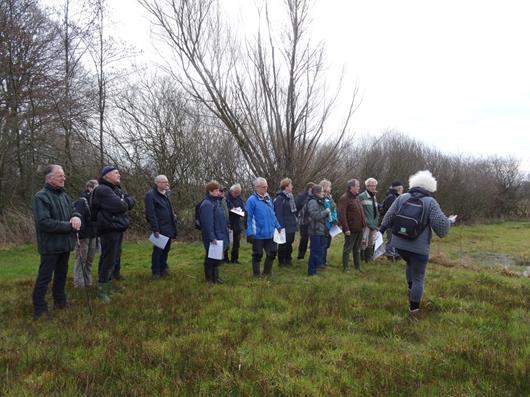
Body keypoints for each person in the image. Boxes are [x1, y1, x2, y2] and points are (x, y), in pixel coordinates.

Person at [380, 170, 457, 321]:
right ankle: (413, 312)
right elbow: (441, 228)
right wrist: (450, 222)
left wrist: (380, 232)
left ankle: (411, 291)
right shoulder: (430, 202)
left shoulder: (402, 197)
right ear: (430, 187)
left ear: (413, 183)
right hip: (418, 247)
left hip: (399, 244)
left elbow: (388, 216)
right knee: (419, 277)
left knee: (409, 263)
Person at [31, 165, 81, 320]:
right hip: (50, 246)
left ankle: (60, 302)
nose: (63, 178)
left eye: (64, 175)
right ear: (49, 178)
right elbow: (44, 222)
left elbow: (74, 210)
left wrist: (76, 216)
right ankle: (39, 310)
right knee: (44, 278)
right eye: (60, 175)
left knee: (61, 275)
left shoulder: (64, 196)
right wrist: (68, 226)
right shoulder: (41, 197)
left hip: (65, 245)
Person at [91, 165, 135, 303]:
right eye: (116, 173)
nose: (119, 175)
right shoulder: (102, 190)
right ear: (107, 176)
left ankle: (108, 287)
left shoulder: (116, 189)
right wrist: (123, 202)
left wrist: (124, 201)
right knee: (107, 259)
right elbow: (120, 206)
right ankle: (102, 291)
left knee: (114, 259)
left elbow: (131, 200)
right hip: (108, 229)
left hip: (118, 228)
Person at [245, 177, 281, 277]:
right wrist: (249, 233)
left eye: (266, 186)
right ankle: (256, 275)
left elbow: (273, 214)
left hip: (270, 233)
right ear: (257, 188)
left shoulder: (268, 198)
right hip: (258, 234)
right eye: (264, 187)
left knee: (273, 252)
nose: (266, 189)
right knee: (258, 254)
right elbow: (248, 218)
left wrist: (278, 226)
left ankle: (267, 272)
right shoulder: (251, 200)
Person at [144, 175, 177, 279]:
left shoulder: (167, 194)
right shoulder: (151, 195)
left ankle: (163, 268)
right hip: (160, 228)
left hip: (169, 227)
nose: (167, 184)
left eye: (167, 182)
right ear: (157, 183)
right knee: (158, 251)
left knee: (166, 249)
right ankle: (156, 272)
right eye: (164, 182)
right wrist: (155, 229)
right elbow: (151, 213)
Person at [199, 180, 229, 283]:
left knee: (216, 257)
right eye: (216, 190)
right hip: (212, 236)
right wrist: (212, 237)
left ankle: (216, 277)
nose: (218, 192)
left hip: (219, 233)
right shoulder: (207, 204)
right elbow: (207, 223)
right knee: (210, 258)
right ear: (210, 191)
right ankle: (209, 279)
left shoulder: (216, 202)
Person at [73, 179, 99, 288]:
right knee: (81, 260)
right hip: (83, 236)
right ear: (89, 188)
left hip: (93, 235)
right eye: (96, 188)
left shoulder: (96, 201)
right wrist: (79, 235)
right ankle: (79, 283)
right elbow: (79, 217)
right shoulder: (82, 201)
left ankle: (88, 282)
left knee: (90, 260)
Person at [337, 179, 366, 272]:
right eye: (357, 186)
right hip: (350, 229)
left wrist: (363, 224)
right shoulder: (344, 198)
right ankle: (345, 268)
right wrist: (346, 229)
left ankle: (358, 267)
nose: (359, 187)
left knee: (357, 249)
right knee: (347, 249)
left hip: (359, 228)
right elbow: (342, 215)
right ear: (351, 187)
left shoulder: (356, 197)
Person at [306, 184, 330, 276]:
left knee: (319, 251)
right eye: (322, 192)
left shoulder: (320, 201)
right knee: (314, 251)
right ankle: (311, 272)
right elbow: (315, 215)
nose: (323, 193)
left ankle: (315, 268)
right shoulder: (312, 202)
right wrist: (326, 212)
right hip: (315, 230)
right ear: (316, 193)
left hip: (321, 229)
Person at [273, 178, 298, 267]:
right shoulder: (280, 198)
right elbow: (278, 213)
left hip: (291, 224)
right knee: (283, 244)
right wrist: (280, 226)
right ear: (286, 186)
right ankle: (281, 261)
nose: (292, 186)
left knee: (289, 243)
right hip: (284, 225)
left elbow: (294, 211)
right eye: (291, 185)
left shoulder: (291, 196)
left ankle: (288, 259)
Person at [378, 180, 404, 260]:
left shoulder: (395, 197)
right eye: (401, 188)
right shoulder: (392, 198)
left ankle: (396, 254)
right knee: (391, 239)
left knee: (396, 239)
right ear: (398, 189)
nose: (402, 190)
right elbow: (391, 212)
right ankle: (390, 255)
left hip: (395, 222)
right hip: (390, 223)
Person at [359, 177, 379, 262]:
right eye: (371, 186)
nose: (373, 187)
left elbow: (375, 210)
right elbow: (359, 211)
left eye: (374, 186)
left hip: (374, 224)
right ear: (367, 186)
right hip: (366, 224)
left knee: (372, 242)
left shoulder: (374, 197)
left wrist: (377, 222)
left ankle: (368, 258)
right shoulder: (362, 196)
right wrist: (365, 221)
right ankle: (361, 258)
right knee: (364, 241)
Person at [225, 183, 245, 264]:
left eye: (238, 193)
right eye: (236, 193)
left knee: (237, 243)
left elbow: (243, 209)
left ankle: (235, 259)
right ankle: (225, 259)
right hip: (228, 223)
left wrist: (242, 213)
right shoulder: (225, 198)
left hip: (237, 223)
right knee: (227, 242)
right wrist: (232, 210)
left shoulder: (239, 199)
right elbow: (227, 209)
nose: (237, 194)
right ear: (231, 191)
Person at [320, 179, 338, 268]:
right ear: (325, 187)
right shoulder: (322, 198)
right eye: (329, 186)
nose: (330, 188)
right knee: (323, 244)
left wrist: (335, 220)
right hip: (324, 224)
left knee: (327, 244)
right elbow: (325, 211)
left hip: (331, 224)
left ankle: (324, 260)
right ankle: (321, 262)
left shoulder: (330, 197)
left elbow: (333, 210)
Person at [295, 182, 314, 260]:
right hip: (303, 221)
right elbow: (296, 207)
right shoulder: (301, 196)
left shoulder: (314, 197)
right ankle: (300, 255)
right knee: (304, 238)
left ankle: (310, 253)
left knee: (312, 238)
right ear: (310, 189)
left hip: (312, 220)